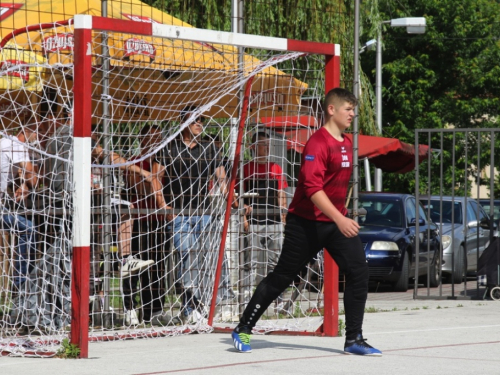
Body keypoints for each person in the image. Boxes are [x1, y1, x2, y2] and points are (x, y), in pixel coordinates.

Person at [231, 88, 382, 356]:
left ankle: (354, 339)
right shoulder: (317, 143)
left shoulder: (347, 143)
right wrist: (340, 218)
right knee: (282, 278)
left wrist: (341, 213)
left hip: (335, 224)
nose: (353, 113)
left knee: (359, 272)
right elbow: (312, 189)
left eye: (353, 109)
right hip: (305, 224)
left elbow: (335, 186)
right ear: (332, 109)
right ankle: (243, 328)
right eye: (348, 108)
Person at [44, 111, 168, 325]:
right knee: (82, 256)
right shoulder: (72, 136)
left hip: (70, 207)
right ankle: (123, 261)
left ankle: (120, 263)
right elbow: (108, 156)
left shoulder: (54, 141)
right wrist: (141, 172)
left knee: (84, 256)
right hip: (76, 206)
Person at [155, 106, 228, 323]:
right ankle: (190, 308)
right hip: (179, 214)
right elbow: (156, 179)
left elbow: (222, 180)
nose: (199, 124)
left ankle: (202, 304)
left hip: (204, 213)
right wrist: (164, 206)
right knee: (187, 254)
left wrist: (233, 201)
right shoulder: (168, 148)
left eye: (202, 120)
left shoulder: (209, 148)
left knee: (208, 258)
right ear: (184, 122)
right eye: (195, 120)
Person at [122, 124, 173, 325]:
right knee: (135, 267)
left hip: (159, 222)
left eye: (158, 138)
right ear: (142, 140)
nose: (156, 142)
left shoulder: (165, 162)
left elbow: (160, 186)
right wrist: (152, 181)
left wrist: (153, 182)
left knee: (158, 268)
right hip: (139, 222)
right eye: (151, 137)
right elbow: (142, 187)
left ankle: (155, 310)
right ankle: (131, 307)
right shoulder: (135, 162)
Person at [241, 131, 288, 295]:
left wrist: (283, 219)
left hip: (274, 222)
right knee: (250, 262)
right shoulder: (246, 169)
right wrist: (244, 218)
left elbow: (281, 193)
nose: (267, 147)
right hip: (254, 222)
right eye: (263, 144)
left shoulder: (276, 168)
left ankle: (276, 296)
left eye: (268, 144)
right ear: (253, 146)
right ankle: (247, 296)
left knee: (275, 262)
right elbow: (239, 196)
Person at [0, 125, 39, 293]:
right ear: (28, 131)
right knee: (28, 229)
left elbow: (18, 176)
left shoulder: (5, 144)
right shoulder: (15, 145)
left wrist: (23, 186)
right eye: (39, 133)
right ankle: (21, 285)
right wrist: (33, 182)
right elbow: (32, 175)